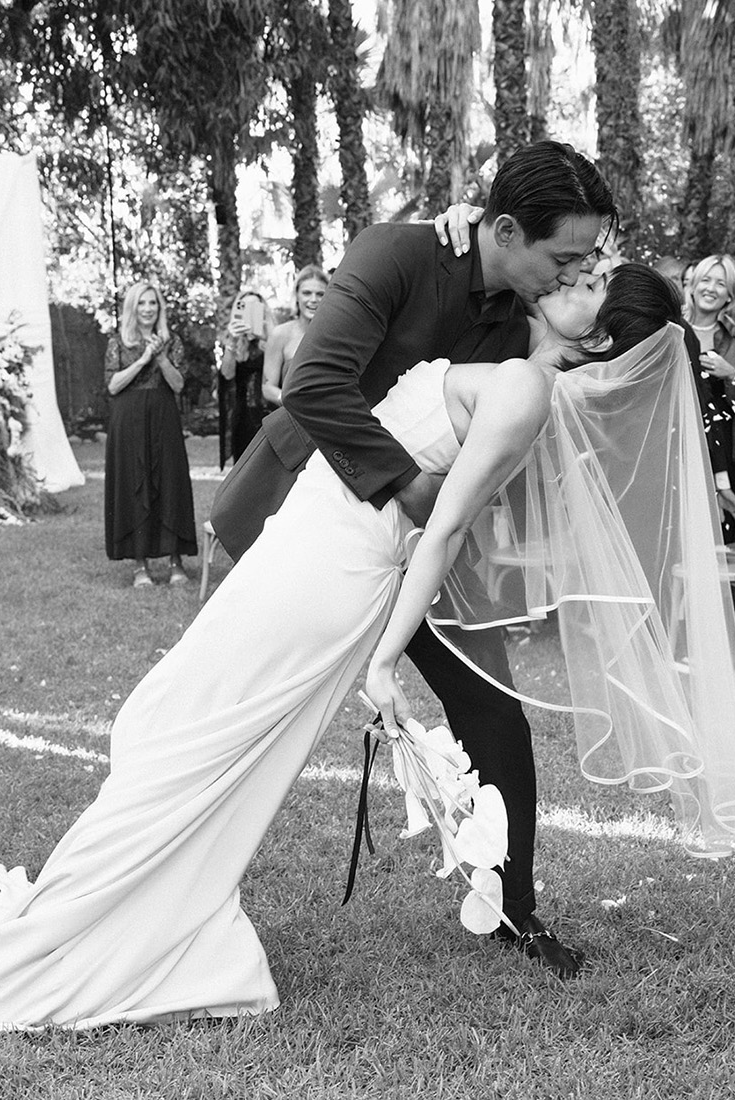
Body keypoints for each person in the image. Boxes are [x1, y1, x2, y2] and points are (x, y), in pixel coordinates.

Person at [0, 259, 735, 1029]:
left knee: (211, 728)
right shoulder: (480, 295)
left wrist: (386, 654)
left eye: (592, 279)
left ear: (595, 341)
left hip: (342, 557)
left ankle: (106, 923)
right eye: (580, 262)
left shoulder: (527, 387)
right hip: (317, 523)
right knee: (175, 716)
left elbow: (443, 526)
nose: (577, 271)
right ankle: (87, 903)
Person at [210, 141, 617, 978]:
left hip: (425, 551)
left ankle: (515, 908)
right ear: (503, 227)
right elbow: (318, 381)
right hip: (304, 513)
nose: (577, 272)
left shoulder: (531, 310)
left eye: (586, 260)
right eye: (565, 257)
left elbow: (614, 317)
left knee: (493, 710)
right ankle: (187, 887)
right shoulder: (399, 252)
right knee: (248, 708)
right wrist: (412, 491)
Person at [103, 280, 197, 587]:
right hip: (127, 419)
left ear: (160, 308)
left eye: (153, 303)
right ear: (132, 307)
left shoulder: (172, 341)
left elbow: (179, 385)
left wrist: (160, 358)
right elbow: (113, 385)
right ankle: (139, 563)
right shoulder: (119, 341)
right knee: (132, 483)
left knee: (169, 481)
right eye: (142, 303)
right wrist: (143, 359)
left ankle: (175, 560)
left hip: (163, 415)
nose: (147, 309)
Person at [681, 254, 735, 537]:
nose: (711, 288)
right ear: (692, 285)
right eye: (705, 280)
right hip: (681, 443)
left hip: (726, 449)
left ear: (729, 295)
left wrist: (731, 375)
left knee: (725, 533)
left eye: (720, 284)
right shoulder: (671, 330)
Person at [216, 290, 274, 468]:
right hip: (244, 420)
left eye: (255, 307)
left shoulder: (276, 337)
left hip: (271, 416)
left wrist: (266, 335)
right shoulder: (234, 342)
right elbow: (227, 374)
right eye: (245, 307)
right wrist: (232, 342)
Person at [262, 265, 331, 412]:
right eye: (306, 293)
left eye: (320, 294)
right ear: (297, 296)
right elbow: (267, 387)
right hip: (290, 417)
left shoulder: (337, 333)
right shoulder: (280, 334)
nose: (313, 299)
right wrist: (286, 399)